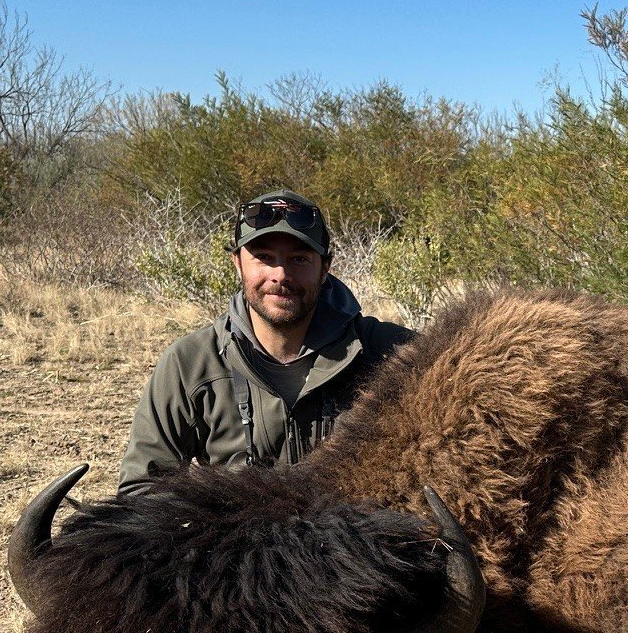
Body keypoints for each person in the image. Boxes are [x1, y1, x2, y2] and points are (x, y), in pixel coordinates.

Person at [117, 191, 415, 495]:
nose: (280, 275)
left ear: (325, 267)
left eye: (299, 259)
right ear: (237, 263)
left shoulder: (394, 353)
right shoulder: (190, 363)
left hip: (359, 540)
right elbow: (142, 491)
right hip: (235, 542)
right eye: (263, 258)